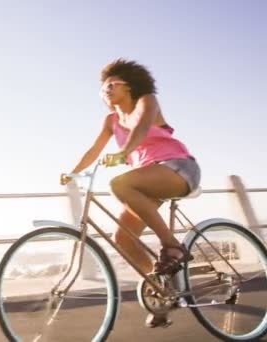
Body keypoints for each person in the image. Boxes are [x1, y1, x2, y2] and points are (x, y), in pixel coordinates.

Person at [60, 58, 201, 328]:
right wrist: (74, 172)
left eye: (112, 85)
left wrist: (124, 153)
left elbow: (141, 128)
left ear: (129, 85)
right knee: (123, 238)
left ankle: (173, 247)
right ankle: (162, 290)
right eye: (103, 89)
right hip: (148, 179)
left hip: (179, 168)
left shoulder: (146, 101)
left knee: (120, 184)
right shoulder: (111, 120)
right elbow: (93, 150)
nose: (107, 91)